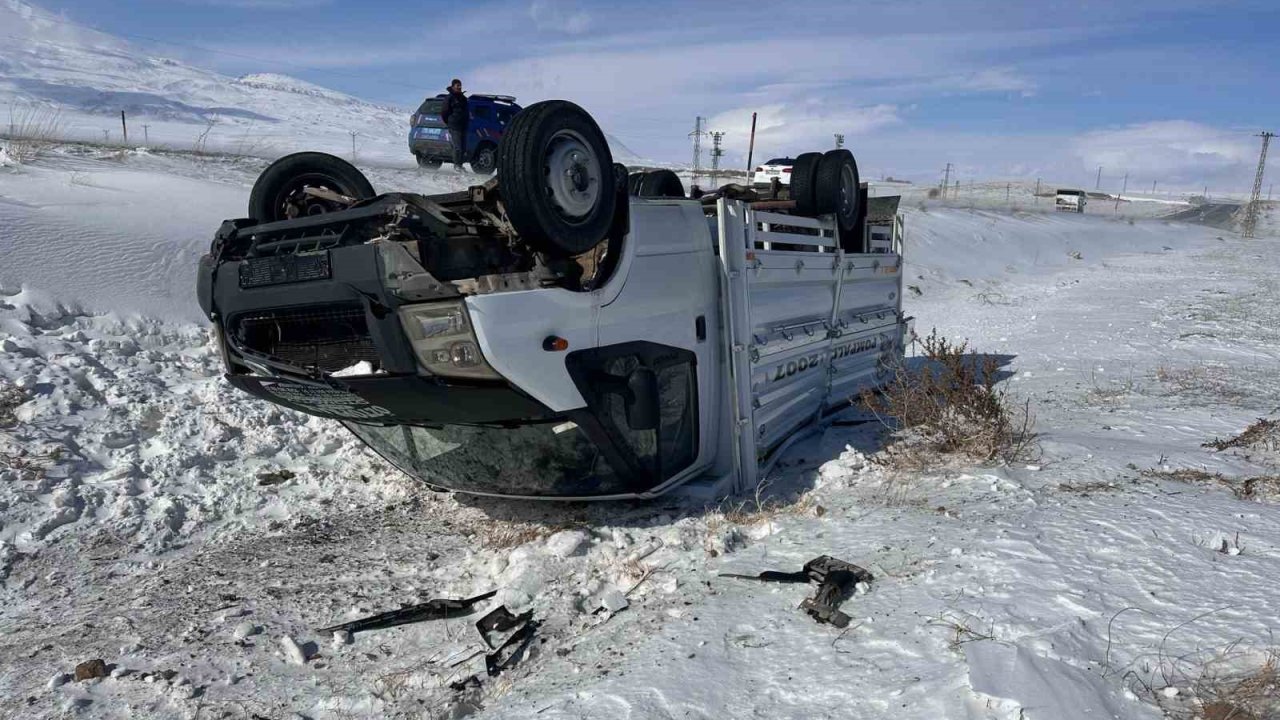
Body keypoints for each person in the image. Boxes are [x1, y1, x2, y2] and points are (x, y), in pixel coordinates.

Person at [440, 78, 470, 172]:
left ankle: (460, 165)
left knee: (463, 147)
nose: (459, 87)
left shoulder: (463, 98)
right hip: (454, 125)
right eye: (457, 86)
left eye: (460, 85)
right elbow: (444, 111)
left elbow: (466, 111)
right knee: (457, 147)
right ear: (453, 86)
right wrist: (449, 121)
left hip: (463, 125)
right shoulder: (449, 98)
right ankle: (456, 165)